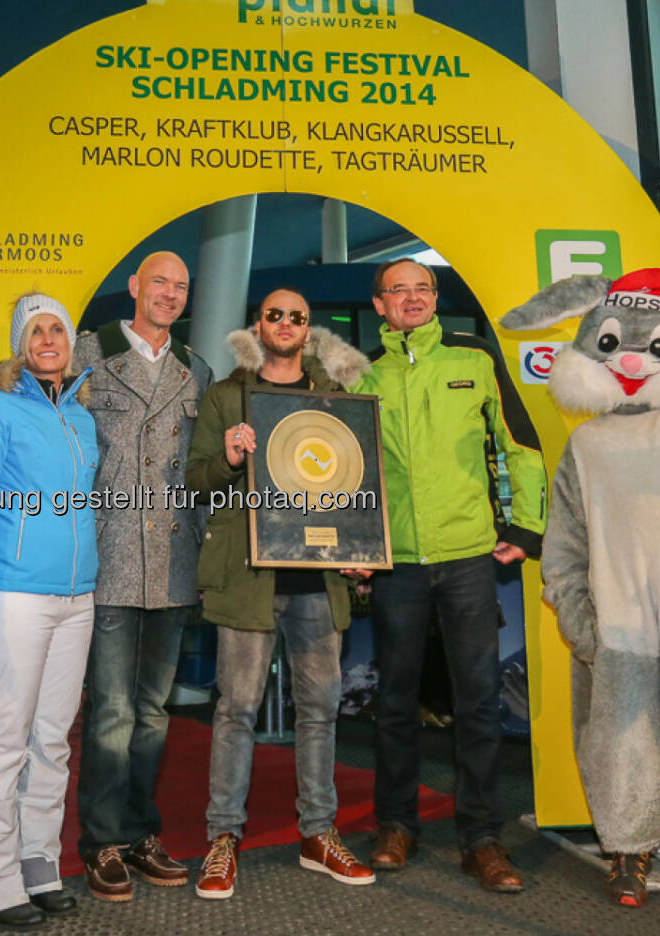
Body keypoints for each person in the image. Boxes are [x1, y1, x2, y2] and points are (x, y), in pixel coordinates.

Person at [347, 259, 547, 893]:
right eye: (398, 290)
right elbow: (345, 471)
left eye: (422, 289)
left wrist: (526, 529)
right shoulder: (361, 376)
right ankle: (396, 826)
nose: (412, 298)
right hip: (397, 561)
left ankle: (482, 839)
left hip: (466, 555)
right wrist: (354, 543)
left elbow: (521, 445)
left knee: (479, 704)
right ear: (379, 305)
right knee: (396, 704)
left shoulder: (474, 358)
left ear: (435, 299)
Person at [186, 288, 374, 900]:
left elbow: (357, 485)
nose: (286, 323)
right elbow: (198, 481)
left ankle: (318, 834)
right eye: (275, 315)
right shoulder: (225, 396)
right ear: (258, 325)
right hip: (247, 578)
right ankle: (222, 841)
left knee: (320, 711)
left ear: (309, 327)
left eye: (297, 315)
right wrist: (232, 458)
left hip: (318, 580)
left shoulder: (336, 399)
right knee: (235, 710)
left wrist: (362, 549)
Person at [0, 294, 99, 930]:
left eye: (57, 329)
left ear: (71, 342)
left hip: (77, 598)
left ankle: (38, 862)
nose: (48, 339)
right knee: (0, 738)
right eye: (36, 330)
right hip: (14, 595)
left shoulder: (81, 419)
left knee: (51, 741)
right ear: (20, 343)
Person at [72, 251, 212, 902]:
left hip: (174, 563)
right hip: (108, 555)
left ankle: (138, 831)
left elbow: (208, 470)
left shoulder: (197, 371)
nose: (170, 294)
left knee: (154, 713)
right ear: (133, 287)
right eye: (159, 282)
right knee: (110, 713)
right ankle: (99, 841)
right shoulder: (84, 356)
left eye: (181, 287)